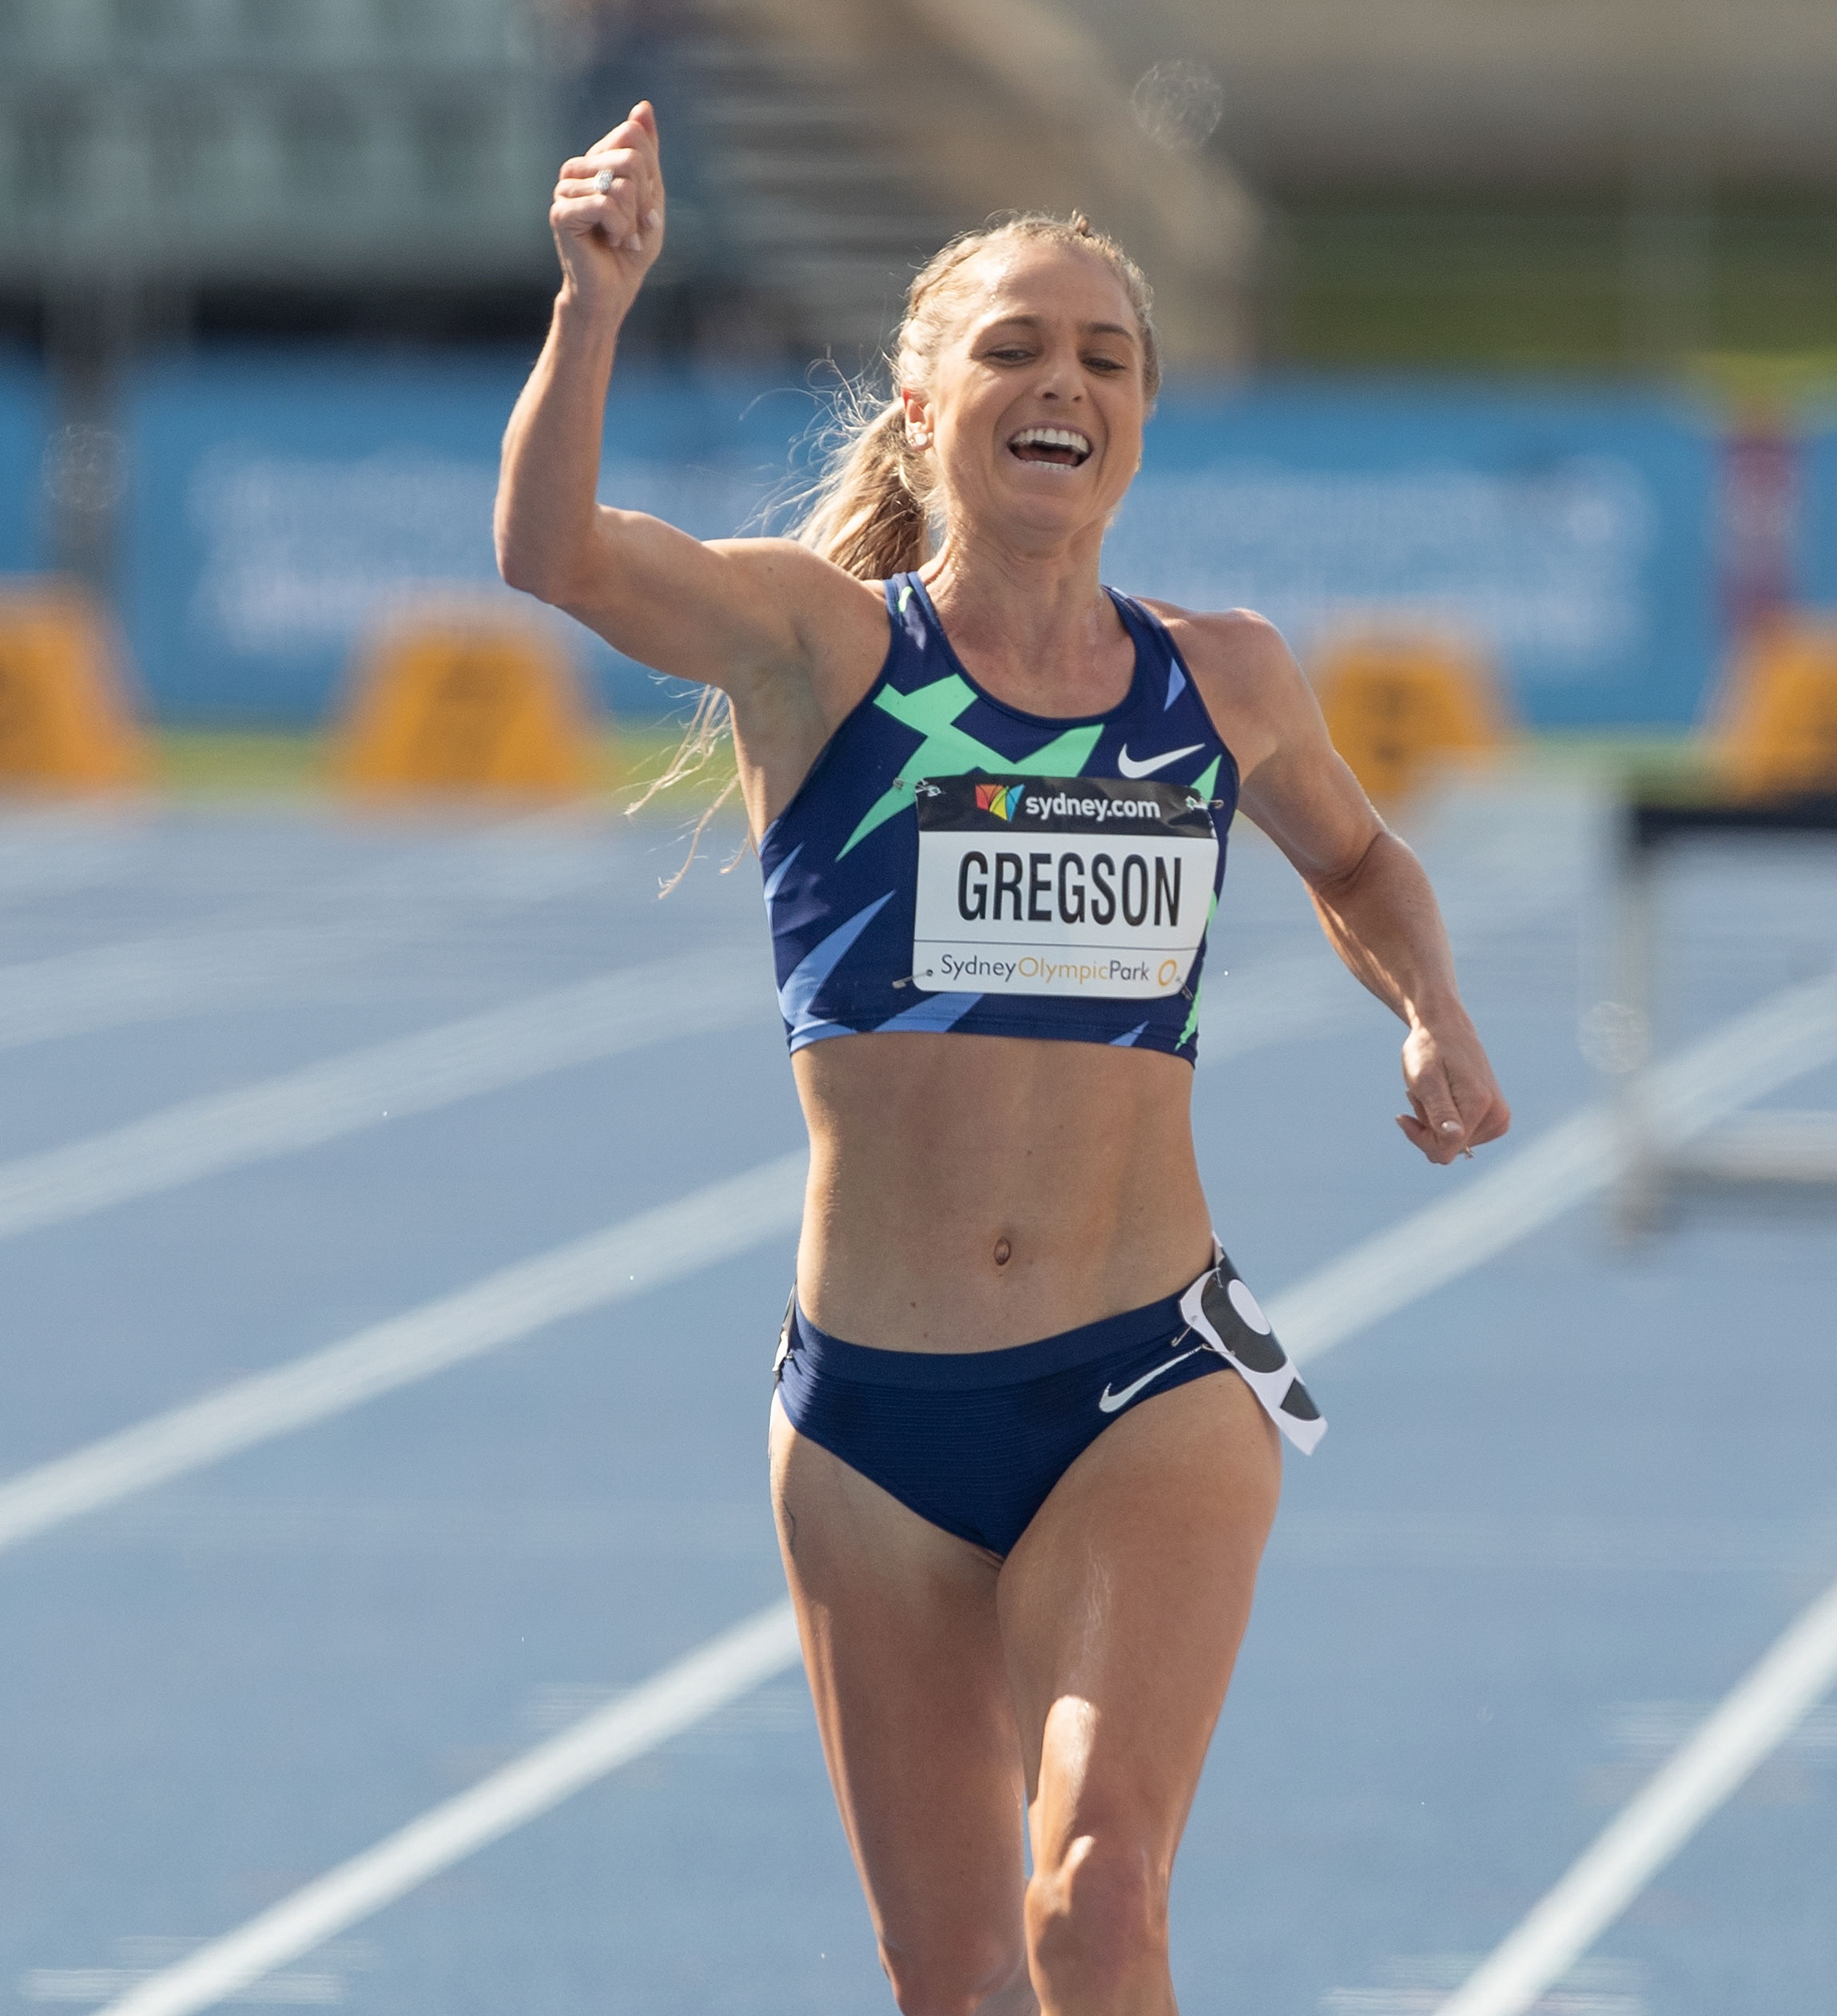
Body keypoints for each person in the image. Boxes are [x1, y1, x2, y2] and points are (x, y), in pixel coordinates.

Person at [495, 103, 1510, 2016]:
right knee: (956, 1982)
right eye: (1013, 349)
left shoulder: (1218, 675)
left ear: (1137, 415)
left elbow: (1358, 856)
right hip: (870, 1422)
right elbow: (549, 551)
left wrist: (1424, 999)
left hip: (1145, 1371)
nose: (1062, 383)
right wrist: (593, 302)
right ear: (914, 403)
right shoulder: (820, 651)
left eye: (1104, 358)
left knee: (1096, 1908)